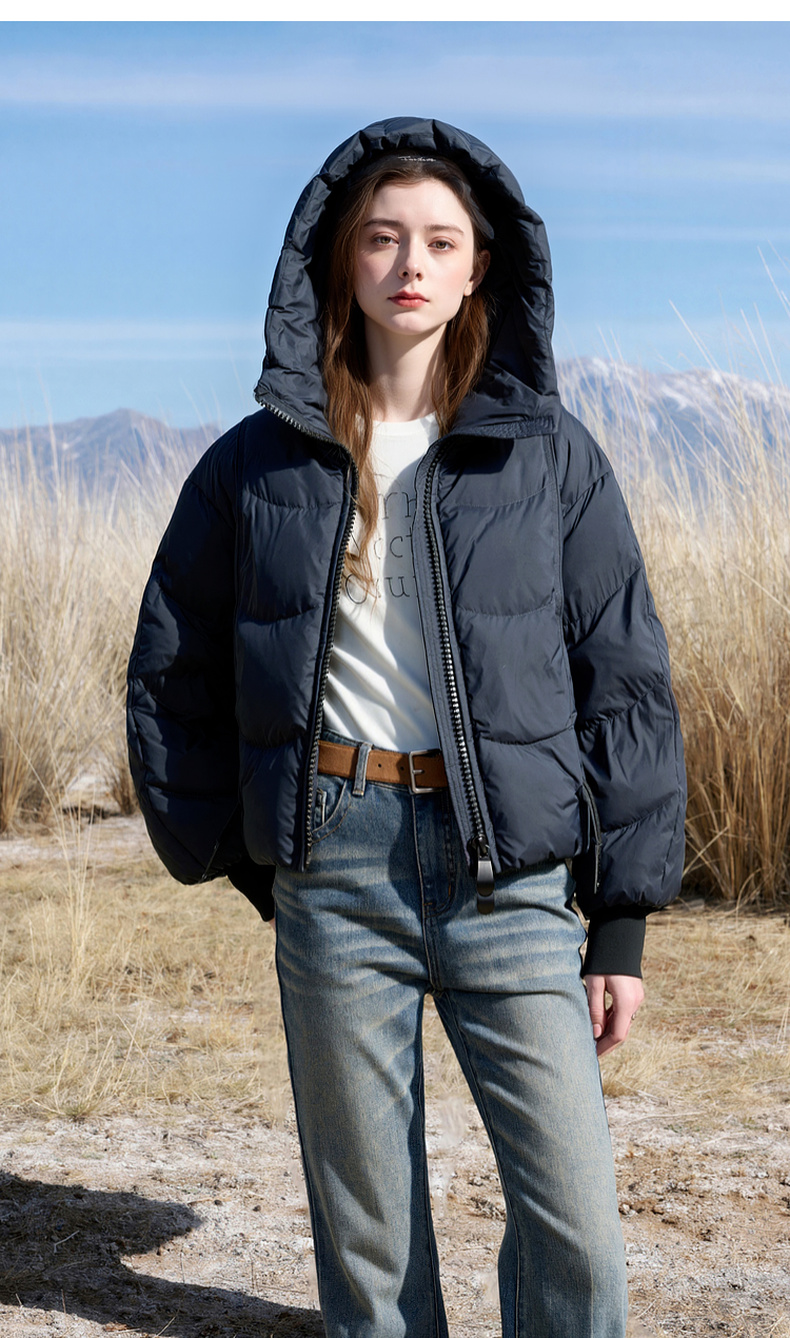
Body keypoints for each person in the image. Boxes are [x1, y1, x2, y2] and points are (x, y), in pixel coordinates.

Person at [127, 117, 686, 1338]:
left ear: (480, 267)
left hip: (512, 882)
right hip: (335, 861)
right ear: (341, 259)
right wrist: (253, 850)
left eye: (439, 240)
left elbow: (624, 682)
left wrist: (621, 920)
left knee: (578, 1229)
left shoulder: (547, 455)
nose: (410, 263)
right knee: (370, 1245)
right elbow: (171, 667)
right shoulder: (258, 463)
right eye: (382, 238)